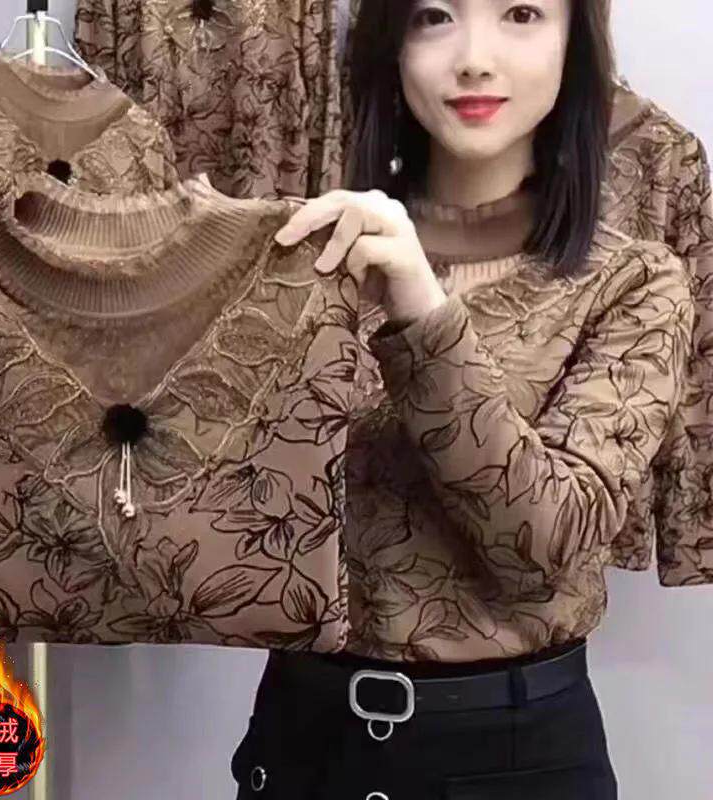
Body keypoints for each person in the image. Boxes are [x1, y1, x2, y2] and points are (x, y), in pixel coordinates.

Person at [228, 1, 692, 798]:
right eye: (436, 15)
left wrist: (421, 308)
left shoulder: (636, 284)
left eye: (521, 13)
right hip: (303, 743)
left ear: (575, 44)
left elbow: (544, 549)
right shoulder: (308, 256)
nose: (474, 58)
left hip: (513, 755)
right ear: (391, 43)